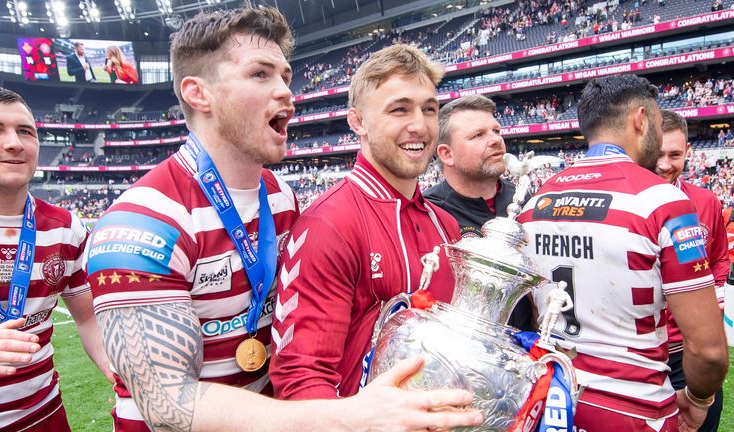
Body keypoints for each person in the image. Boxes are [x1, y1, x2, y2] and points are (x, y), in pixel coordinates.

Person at [84, 8, 482, 432]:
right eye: (260, 75)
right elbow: (167, 403)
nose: (286, 93)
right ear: (199, 94)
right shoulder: (141, 223)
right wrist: (348, 416)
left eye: (285, 77)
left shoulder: (280, 200)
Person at [518, 74, 728, 431]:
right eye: (660, 126)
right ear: (641, 119)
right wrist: (697, 401)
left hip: (556, 401)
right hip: (636, 407)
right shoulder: (662, 200)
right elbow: (708, 351)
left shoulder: (534, 203)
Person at [269, 44, 462, 400]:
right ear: (358, 122)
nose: (419, 125)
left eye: (430, 109)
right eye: (399, 110)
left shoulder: (445, 225)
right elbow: (301, 378)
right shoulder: (328, 223)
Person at [0, 85, 113, 431]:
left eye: (25, 131)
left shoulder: (66, 228)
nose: (15, 142)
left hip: (45, 418)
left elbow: (89, 318)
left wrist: (118, 371)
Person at [424, 94, 535, 330]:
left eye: (496, 130)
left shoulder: (527, 202)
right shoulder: (428, 212)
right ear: (446, 154)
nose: (496, 140)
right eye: (478, 135)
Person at [655, 109, 727, 432]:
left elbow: (720, 260)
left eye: (674, 154)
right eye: (658, 154)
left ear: (688, 153)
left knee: (704, 422)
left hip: (690, 349)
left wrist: (712, 304)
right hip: (645, 352)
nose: (665, 164)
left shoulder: (707, 202)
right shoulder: (626, 204)